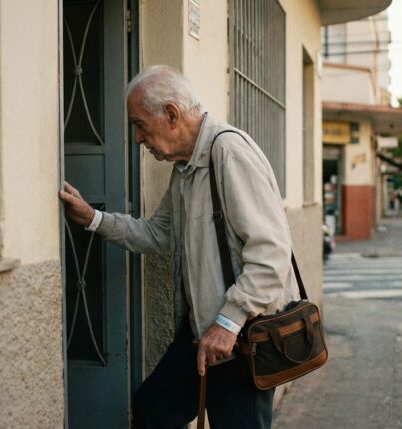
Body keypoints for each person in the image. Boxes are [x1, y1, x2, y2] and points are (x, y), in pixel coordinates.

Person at [58, 65, 299, 428]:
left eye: (140, 124)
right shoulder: (185, 167)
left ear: (171, 114)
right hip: (203, 330)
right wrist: (93, 217)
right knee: (154, 409)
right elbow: (159, 234)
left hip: (242, 337)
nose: (137, 138)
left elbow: (271, 254)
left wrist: (228, 323)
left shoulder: (228, 152)